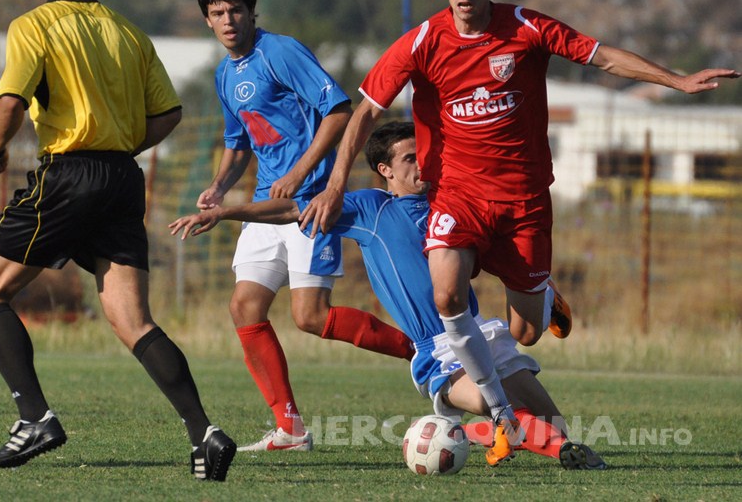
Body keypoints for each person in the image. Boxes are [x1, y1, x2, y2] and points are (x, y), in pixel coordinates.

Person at [298, 0, 739, 459]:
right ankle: (500, 412)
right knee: (447, 296)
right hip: (457, 196)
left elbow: (603, 57)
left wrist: (676, 81)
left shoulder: (526, 27)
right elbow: (367, 112)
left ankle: (542, 297)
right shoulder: (421, 42)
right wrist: (334, 185)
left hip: (523, 203)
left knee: (525, 333)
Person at [169, 121, 606, 469]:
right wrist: (226, 212)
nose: (422, 165)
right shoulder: (370, 209)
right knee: (501, 407)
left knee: (553, 422)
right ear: (386, 170)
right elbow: (293, 209)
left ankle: (536, 314)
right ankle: (559, 450)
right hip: (438, 351)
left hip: (482, 331)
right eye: (411, 158)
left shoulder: (449, 204)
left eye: (424, 155)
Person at [0, 0, 235, 481]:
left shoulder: (34, 24)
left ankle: (35, 417)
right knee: (133, 320)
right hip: (121, 179)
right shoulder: (129, 33)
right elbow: (169, 113)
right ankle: (203, 432)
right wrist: (119, 146)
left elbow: (11, 100)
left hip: (68, 174)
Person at [194, 0, 414, 452]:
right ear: (207, 19)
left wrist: (299, 173)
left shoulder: (280, 51)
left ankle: (420, 353)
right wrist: (217, 187)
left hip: (310, 201)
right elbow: (238, 142)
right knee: (244, 306)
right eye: (217, 12)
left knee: (310, 316)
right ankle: (289, 428)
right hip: (266, 205)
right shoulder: (225, 74)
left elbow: (338, 111)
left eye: (235, 10)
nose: (228, 20)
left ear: (252, 12)